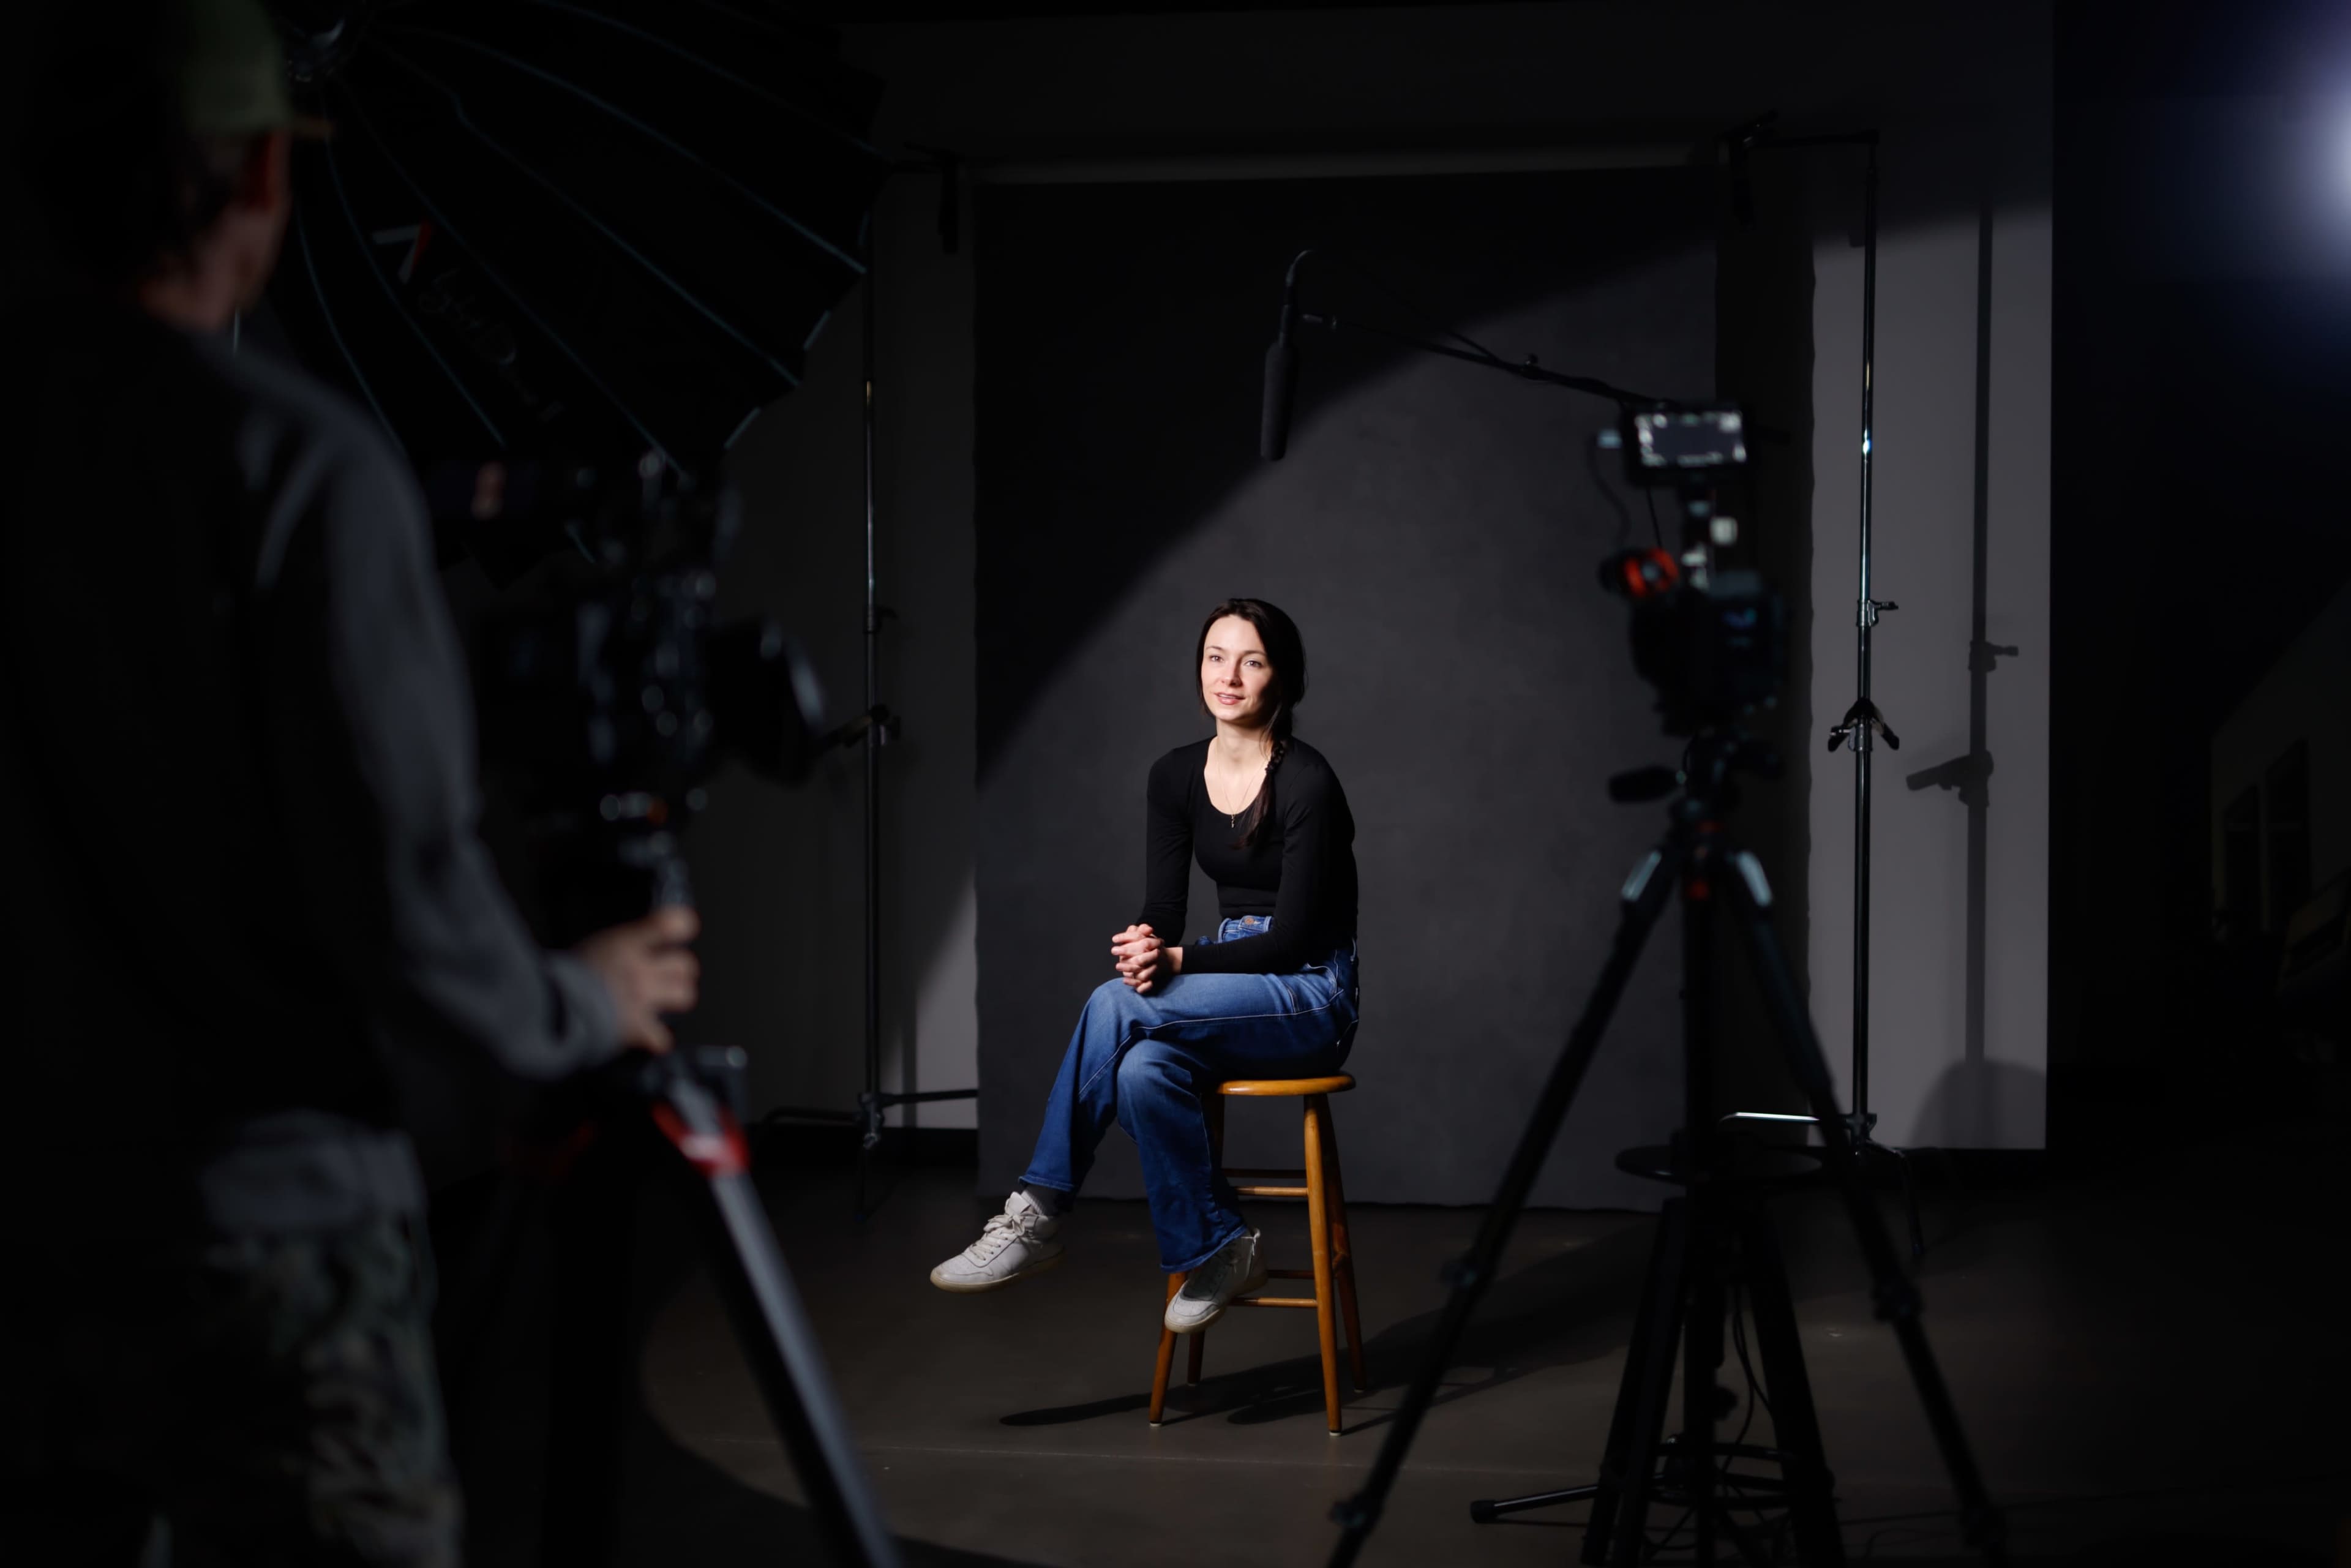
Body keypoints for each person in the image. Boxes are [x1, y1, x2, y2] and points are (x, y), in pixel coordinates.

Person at [0, 2, 697, 1562]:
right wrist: (580, 1002)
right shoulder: (298, 469)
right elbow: (404, 903)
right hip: (267, 1235)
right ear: (261, 172)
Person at [931, 598, 1361, 1334]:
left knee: (1113, 1006)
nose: (1228, 676)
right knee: (1139, 1070)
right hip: (1232, 977)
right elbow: (1164, 906)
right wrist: (1145, 941)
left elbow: (1289, 941)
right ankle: (1223, 1246)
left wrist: (1179, 958)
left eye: (1251, 660)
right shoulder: (1175, 775)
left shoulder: (1307, 782)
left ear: (1281, 678)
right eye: (1215, 656)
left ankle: (1037, 1209)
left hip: (1310, 991)